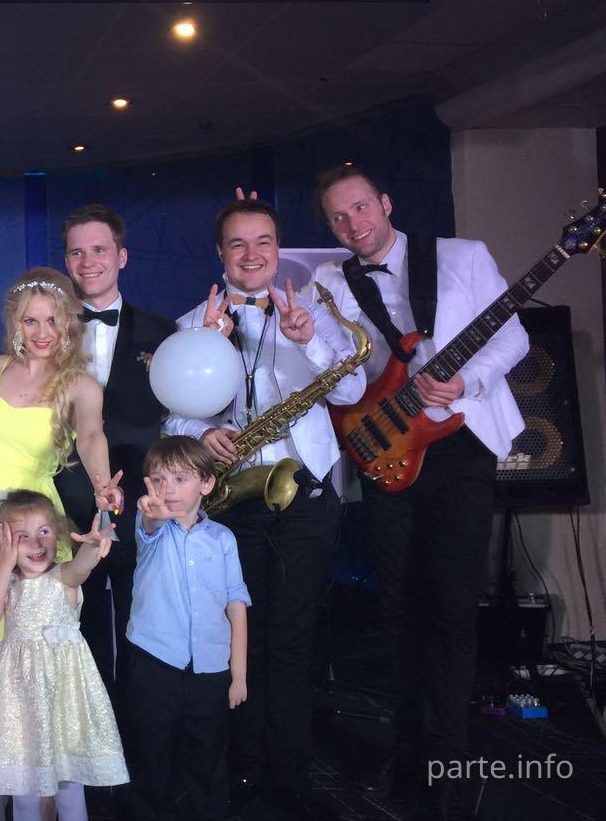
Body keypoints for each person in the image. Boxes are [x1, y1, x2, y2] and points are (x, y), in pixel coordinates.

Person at [312, 165, 528, 817]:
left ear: (385, 202)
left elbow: (512, 337)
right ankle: (405, 755)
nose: (353, 224)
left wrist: (466, 383)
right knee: (399, 608)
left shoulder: (463, 257)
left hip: (462, 446)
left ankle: (449, 761)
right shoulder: (329, 283)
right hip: (390, 449)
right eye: (339, 217)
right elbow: (343, 377)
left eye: (360, 207)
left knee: (453, 609)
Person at [164, 197, 366, 818]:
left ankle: (291, 776)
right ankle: (245, 774)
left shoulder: (314, 314)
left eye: (264, 242)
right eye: (238, 244)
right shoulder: (191, 324)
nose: (251, 255)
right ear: (219, 253)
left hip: (304, 496)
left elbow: (352, 387)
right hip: (232, 502)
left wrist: (311, 345)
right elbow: (170, 414)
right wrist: (202, 433)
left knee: (293, 641)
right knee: (239, 644)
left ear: (278, 250)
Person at [0, 267, 123, 673]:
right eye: (31, 321)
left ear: (67, 324)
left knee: (26, 636)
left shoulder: (80, 386)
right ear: (16, 323)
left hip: (29, 519)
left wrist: (103, 487)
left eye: (52, 320)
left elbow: (91, 437)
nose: (42, 332)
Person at [55, 203, 175, 732]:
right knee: (74, 628)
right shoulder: (46, 332)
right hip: (65, 501)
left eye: (100, 249)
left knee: (140, 625)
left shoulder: (163, 332)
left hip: (142, 502)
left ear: (122, 256)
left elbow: (180, 416)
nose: (88, 262)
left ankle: (137, 743)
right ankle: (84, 742)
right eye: (77, 252)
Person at [0, 489, 129, 820]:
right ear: (4, 544)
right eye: (22, 536)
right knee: (25, 793)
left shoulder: (63, 578)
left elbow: (84, 564)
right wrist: (2, 568)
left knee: (69, 789)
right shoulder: (7, 585)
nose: (37, 542)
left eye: (44, 531)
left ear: (57, 534)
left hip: (64, 702)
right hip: (21, 704)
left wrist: (97, 537)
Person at [126, 435, 249, 821]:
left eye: (180, 479)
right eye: (159, 479)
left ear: (206, 484)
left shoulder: (223, 539)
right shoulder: (152, 528)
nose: (168, 489)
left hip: (210, 668)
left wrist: (238, 676)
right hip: (154, 662)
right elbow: (148, 525)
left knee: (206, 755)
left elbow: (236, 606)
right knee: (150, 753)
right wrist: (151, 515)